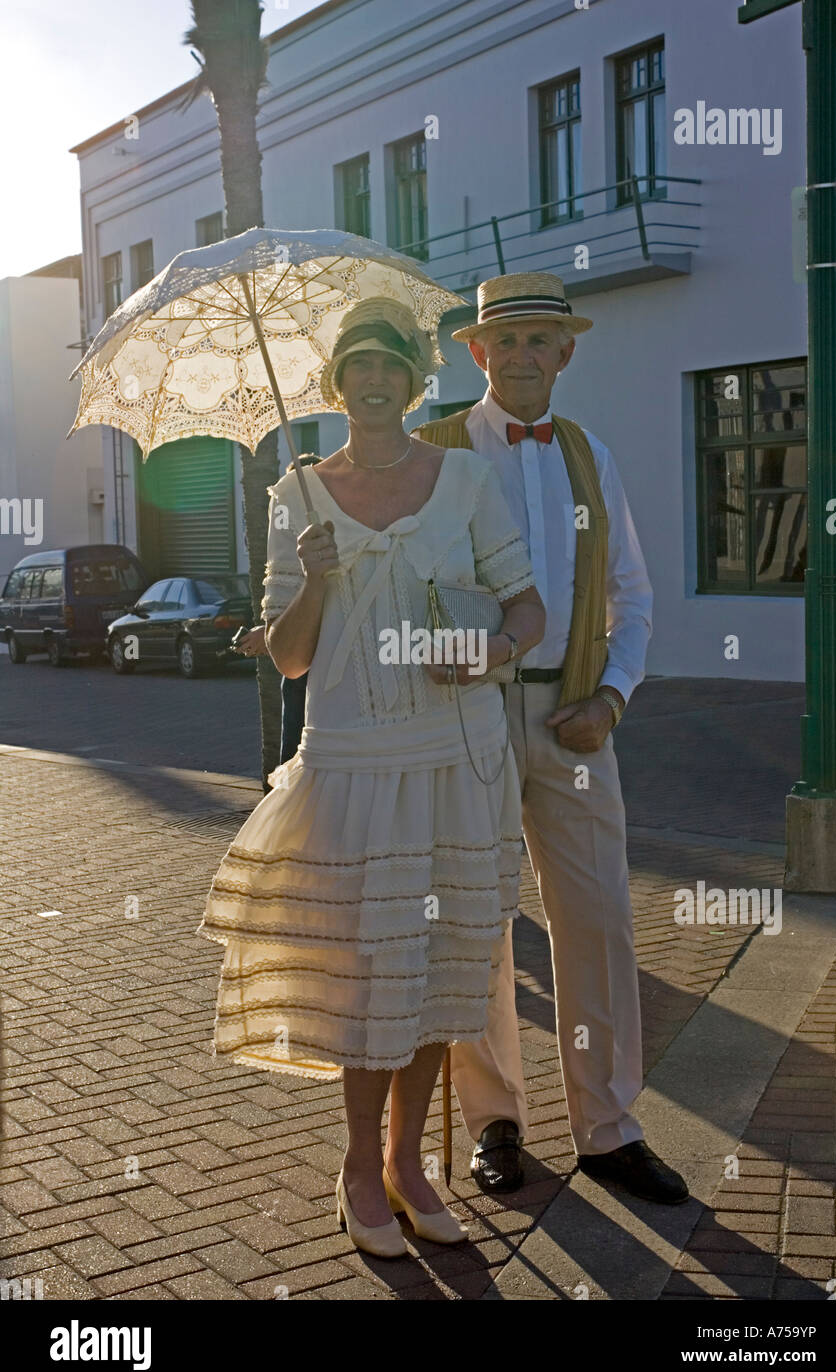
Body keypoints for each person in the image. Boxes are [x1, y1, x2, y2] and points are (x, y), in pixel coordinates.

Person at [197, 297, 545, 1258]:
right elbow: (292, 659)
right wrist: (311, 579)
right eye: (359, 366)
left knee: (438, 977)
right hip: (353, 765)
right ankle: (357, 1166)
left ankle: (408, 1162)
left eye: (392, 364)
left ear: (414, 377)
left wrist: (493, 654)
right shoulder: (296, 497)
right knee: (366, 979)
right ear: (337, 383)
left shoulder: (466, 479)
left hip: (456, 758)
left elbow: (527, 607)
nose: (376, 380)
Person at [414, 272, 688, 1205]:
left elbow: (634, 598)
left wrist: (611, 698)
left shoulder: (588, 454)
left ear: (566, 354)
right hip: (467, 720)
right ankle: (496, 1122)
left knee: (600, 924)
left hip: (574, 721)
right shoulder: (435, 451)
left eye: (542, 340)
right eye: (507, 340)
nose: (524, 355)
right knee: (475, 922)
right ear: (477, 353)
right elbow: (399, 593)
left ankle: (609, 1129)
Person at [235, 454, 319, 764]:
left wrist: (270, 638)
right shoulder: (288, 532)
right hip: (297, 669)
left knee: (297, 755)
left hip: (312, 669)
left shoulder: (320, 532)